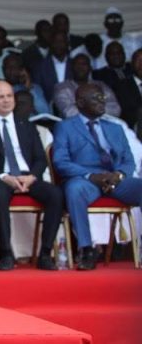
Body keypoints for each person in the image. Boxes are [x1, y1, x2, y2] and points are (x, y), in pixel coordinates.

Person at [0, 80, 62, 270]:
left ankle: (45, 254)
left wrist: (32, 177)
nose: (6, 100)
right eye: (0, 97)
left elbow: (40, 159)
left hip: (26, 177)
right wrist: (5, 176)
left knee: (56, 194)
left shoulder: (25, 124)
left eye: (9, 96)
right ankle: (6, 253)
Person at [52, 83, 142, 270]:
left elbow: (128, 160)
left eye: (103, 97)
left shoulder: (115, 127)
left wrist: (119, 174)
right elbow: (60, 162)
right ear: (80, 102)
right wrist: (91, 175)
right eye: (96, 98)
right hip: (86, 180)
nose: (103, 101)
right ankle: (87, 249)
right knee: (74, 190)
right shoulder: (65, 127)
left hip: (115, 180)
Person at [53, 54, 120, 119]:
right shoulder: (61, 88)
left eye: (84, 64)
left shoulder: (101, 85)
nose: (80, 67)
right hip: (74, 128)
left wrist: (87, 110)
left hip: (103, 126)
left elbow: (116, 110)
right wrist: (97, 109)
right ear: (71, 68)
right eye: (77, 64)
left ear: (90, 68)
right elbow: (69, 113)